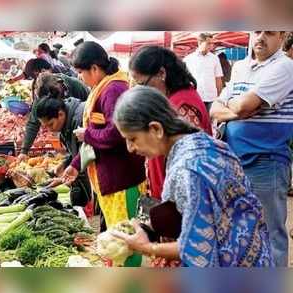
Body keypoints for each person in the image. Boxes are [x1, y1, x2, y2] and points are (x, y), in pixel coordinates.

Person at [112, 86, 273, 267]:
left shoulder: (188, 171)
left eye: (132, 139)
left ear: (156, 128)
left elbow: (198, 249)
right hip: (254, 255)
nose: (130, 148)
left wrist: (147, 247)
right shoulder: (204, 142)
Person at [210, 31, 293, 267]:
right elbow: (216, 109)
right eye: (257, 31)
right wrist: (236, 111)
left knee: (269, 232)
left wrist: (237, 108)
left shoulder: (285, 67)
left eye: (269, 32)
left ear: (282, 36)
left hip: (266, 163)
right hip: (234, 161)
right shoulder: (240, 67)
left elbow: (245, 103)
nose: (261, 37)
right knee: (239, 229)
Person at [64, 41, 146, 233]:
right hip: (110, 177)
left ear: (94, 68)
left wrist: (87, 134)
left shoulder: (114, 89)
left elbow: (118, 132)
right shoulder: (103, 86)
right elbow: (98, 135)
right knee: (117, 235)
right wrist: (76, 165)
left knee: (127, 237)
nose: (79, 77)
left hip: (122, 179)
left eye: (80, 72)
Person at [129, 45, 212, 199]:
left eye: (142, 84)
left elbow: (189, 169)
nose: (140, 91)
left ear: (161, 73)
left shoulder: (183, 106)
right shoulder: (169, 100)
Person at [16, 60, 89, 158]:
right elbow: (33, 122)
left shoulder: (76, 86)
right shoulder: (41, 95)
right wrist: (24, 151)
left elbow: (91, 107)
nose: (50, 130)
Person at [35, 96, 91, 207]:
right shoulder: (66, 123)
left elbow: (87, 153)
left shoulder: (79, 120)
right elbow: (76, 152)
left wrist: (63, 179)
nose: (49, 130)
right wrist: (65, 164)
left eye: (50, 124)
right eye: (45, 126)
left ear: (60, 114)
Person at [184, 33, 224, 112]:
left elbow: (218, 79)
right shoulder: (188, 59)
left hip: (212, 98)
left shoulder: (215, 59)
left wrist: (220, 97)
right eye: (208, 43)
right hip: (195, 98)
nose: (211, 46)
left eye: (212, 43)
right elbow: (185, 80)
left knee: (211, 122)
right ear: (199, 43)